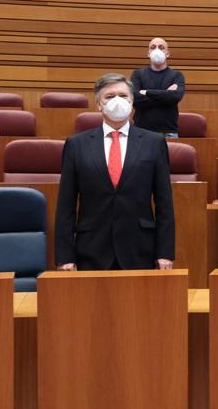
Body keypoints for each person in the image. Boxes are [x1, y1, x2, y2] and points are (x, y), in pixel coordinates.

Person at [55, 73, 175, 271]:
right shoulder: (76, 144)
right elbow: (66, 205)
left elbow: (165, 203)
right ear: (99, 104)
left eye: (123, 95)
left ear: (132, 101)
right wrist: (65, 256)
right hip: (91, 250)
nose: (117, 101)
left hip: (140, 249)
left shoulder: (154, 143)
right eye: (109, 96)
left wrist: (165, 252)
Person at [130, 37, 185, 138]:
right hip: (141, 131)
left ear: (167, 53)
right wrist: (166, 94)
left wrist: (146, 92)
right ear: (148, 53)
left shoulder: (177, 75)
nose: (157, 50)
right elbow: (134, 98)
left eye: (161, 47)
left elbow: (175, 97)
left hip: (168, 132)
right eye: (153, 47)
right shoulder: (137, 74)